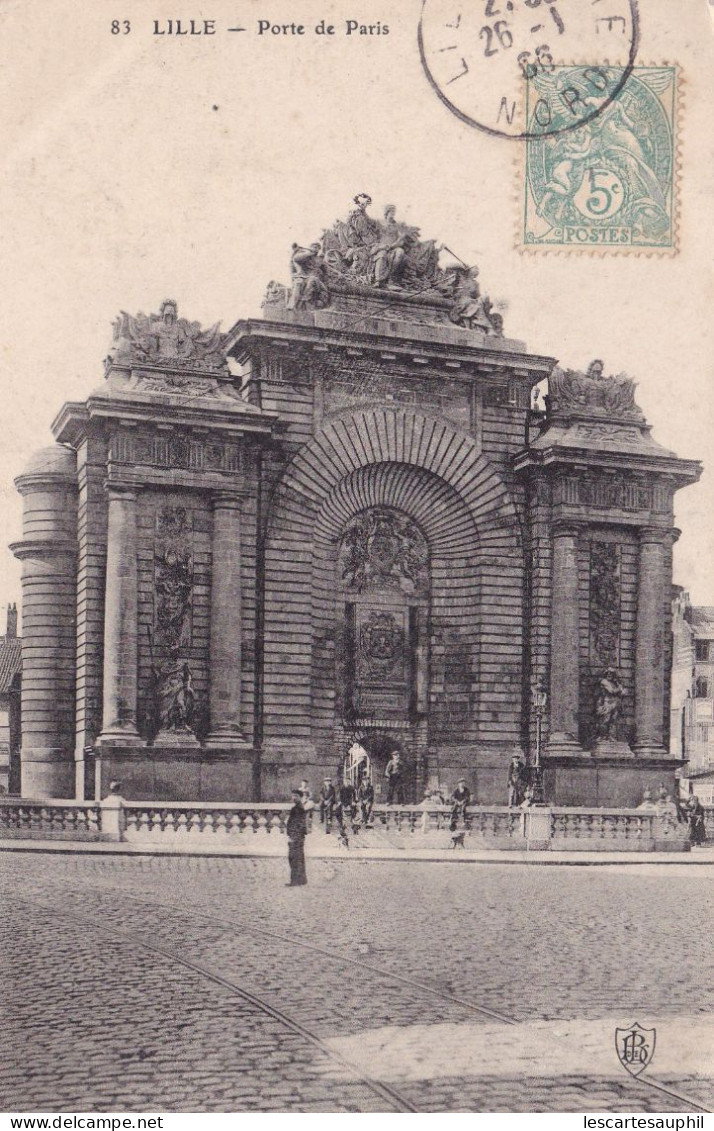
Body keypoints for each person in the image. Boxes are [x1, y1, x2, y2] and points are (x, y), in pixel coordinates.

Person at [286, 788, 308, 886]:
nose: (293, 797)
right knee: (298, 858)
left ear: (300, 797)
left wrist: (293, 836)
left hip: (296, 836)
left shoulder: (298, 808)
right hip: (297, 836)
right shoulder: (297, 807)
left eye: (296, 796)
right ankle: (301, 880)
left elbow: (299, 824)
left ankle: (295, 880)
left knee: (294, 858)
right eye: (293, 795)